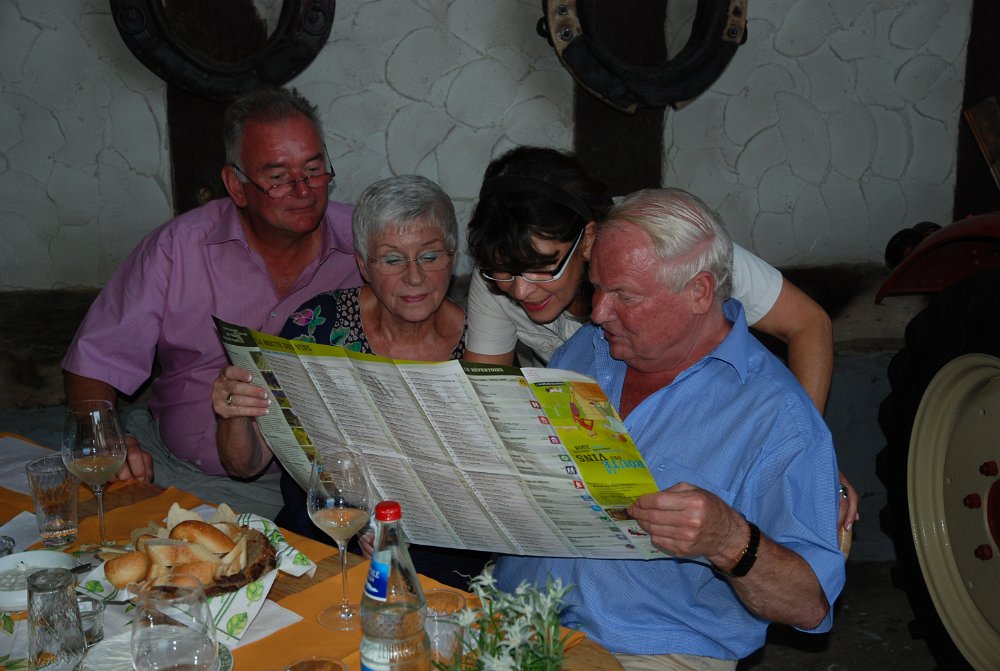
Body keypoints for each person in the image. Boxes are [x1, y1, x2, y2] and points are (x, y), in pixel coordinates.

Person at [493, 188, 846, 670]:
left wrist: (729, 541)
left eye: (625, 296)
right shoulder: (588, 349)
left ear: (699, 292)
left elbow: (808, 605)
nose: (599, 312)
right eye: (597, 288)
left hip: (647, 650)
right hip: (510, 616)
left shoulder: (775, 413)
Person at [464, 146, 859, 536]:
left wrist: (800, 457)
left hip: (694, 429)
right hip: (586, 443)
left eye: (543, 267)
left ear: (587, 239)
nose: (520, 290)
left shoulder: (668, 244)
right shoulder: (501, 277)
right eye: (502, 271)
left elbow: (807, 322)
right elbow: (485, 400)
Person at [61, 87, 363, 518]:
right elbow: (95, 359)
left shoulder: (367, 243)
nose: (303, 189)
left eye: (314, 170)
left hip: (325, 485)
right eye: (279, 177)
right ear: (236, 185)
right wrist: (106, 440)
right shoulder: (178, 248)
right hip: (177, 470)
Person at [212, 174, 490, 588]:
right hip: (316, 544)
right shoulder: (317, 326)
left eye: (430, 256)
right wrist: (234, 413)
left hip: (438, 562)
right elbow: (246, 465)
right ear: (363, 265)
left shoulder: (483, 348)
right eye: (392, 260)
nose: (415, 277)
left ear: (452, 258)